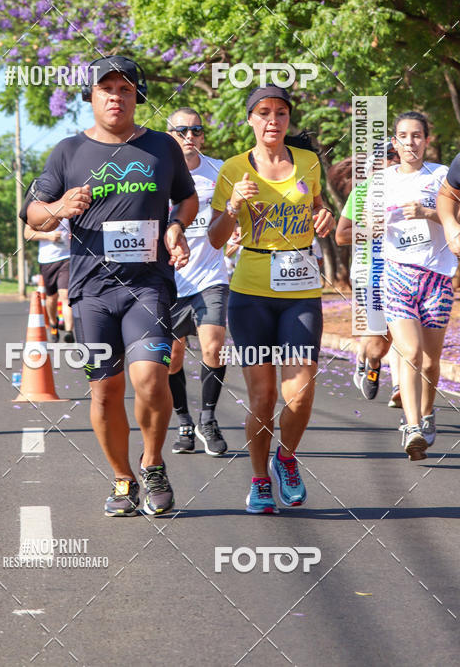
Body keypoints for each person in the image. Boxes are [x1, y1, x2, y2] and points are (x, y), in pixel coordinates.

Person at [24, 56, 198, 516]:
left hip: (149, 285)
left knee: (149, 377)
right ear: (92, 97)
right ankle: (123, 479)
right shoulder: (67, 152)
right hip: (91, 292)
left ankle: (153, 464)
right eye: (106, 89)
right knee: (104, 390)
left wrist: (177, 226)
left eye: (124, 89)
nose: (115, 97)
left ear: (136, 97)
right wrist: (60, 205)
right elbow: (32, 214)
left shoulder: (162, 147)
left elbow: (188, 196)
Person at [208, 86, 334, 514]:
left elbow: (319, 209)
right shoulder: (232, 169)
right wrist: (231, 207)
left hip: (300, 292)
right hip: (251, 293)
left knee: (300, 393)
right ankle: (259, 479)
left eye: (280, 113)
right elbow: (214, 238)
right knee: (262, 398)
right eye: (263, 112)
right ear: (250, 119)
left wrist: (325, 216)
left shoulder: (308, 162)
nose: (273, 120)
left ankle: (286, 459)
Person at [382, 112, 456, 459]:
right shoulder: (380, 181)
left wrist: (427, 213)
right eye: (403, 136)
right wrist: (370, 222)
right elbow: (356, 230)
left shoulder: (442, 176)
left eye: (416, 136)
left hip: (437, 276)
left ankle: (427, 413)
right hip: (397, 273)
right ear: (394, 142)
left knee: (429, 361)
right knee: (409, 353)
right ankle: (412, 427)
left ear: (426, 140)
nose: (410, 142)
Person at [165, 108, 230, 457]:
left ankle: (208, 419)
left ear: (203, 136)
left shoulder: (219, 171)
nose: (189, 136)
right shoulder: (157, 174)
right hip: (170, 282)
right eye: (181, 130)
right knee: (173, 359)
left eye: (196, 130)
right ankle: (184, 420)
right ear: (170, 135)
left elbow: (239, 210)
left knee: (213, 347)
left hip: (211, 277)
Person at [335, 142, 401, 403]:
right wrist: (373, 230)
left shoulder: (411, 191)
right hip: (369, 276)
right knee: (378, 343)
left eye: (396, 155)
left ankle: (400, 389)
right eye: (389, 156)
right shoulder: (362, 193)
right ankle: (370, 364)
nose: (394, 160)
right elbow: (341, 236)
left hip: (405, 274)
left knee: (401, 334)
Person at [24, 220, 74, 343]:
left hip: (67, 257)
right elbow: (27, 233)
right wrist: (48, 236)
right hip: (47, 260)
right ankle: (53, 323)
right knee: (52, 298)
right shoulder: (39, 208)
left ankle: (69, 331)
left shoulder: (68, 207)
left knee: (66, 295)